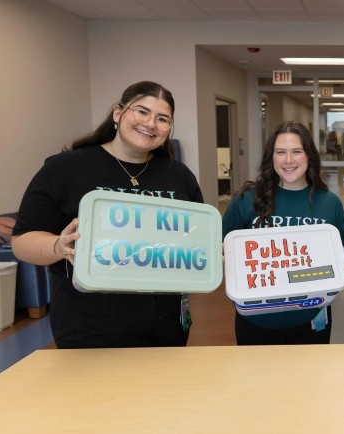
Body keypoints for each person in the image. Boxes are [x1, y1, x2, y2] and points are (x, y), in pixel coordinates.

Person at [12, 81, 203, 349]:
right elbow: (22, 241)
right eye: (142, 111)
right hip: (89, 324)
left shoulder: (179, 175)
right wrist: (59, 246)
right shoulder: (65, 168)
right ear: (118, 113)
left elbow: (195, 241)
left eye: (162, 119)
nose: (150, 123)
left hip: (165, 326)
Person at [222, 121, 344, 345]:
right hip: (256, 320)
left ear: (309, 156)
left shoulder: (329, 203)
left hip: (310, 317)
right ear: (272, 157)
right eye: (281, 152)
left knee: (310, 381)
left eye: (296, 151)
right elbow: (222, 251)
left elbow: (339, 261)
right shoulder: (246, 200)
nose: (288, 160)